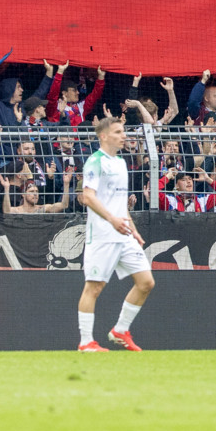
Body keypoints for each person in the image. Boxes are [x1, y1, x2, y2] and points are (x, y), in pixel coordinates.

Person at [74, 113, 155, 351]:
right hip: (102, 235)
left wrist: (134, 230)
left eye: (124, 132)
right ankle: (85, 342)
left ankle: (120, 330)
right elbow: (88, 197)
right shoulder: (94, 162)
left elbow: (119, 203)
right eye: (119, 132)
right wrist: (111, 221)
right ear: (104, 136)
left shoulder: (121, 163)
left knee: (146, 282)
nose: (124, 136)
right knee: (94, 287)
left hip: (123, 234)